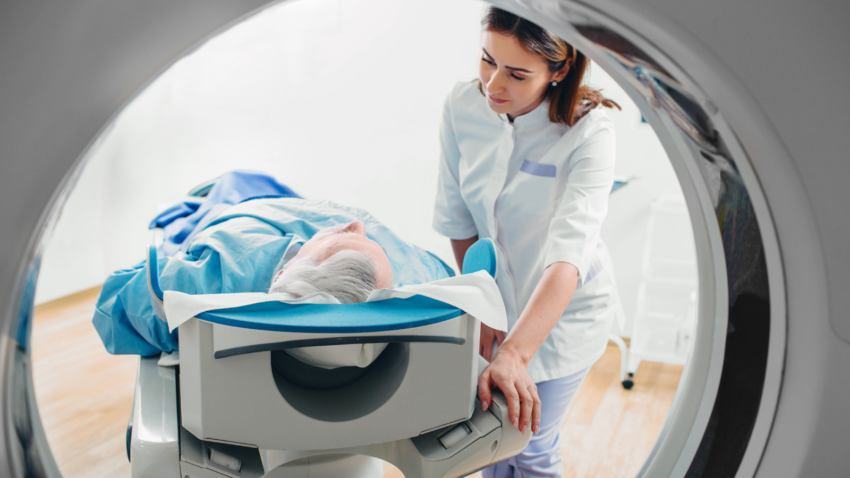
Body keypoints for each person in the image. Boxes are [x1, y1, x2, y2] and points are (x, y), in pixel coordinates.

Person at [432, 7, 623, 477]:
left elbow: (567, 256)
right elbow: (459, 219)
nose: (494, 84)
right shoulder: (462, 105)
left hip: (565, 312)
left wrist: (516, 352)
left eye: (517, 74)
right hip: (495, 302)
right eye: (486, 60)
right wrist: (482, 303)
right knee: (490, 445)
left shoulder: (589, 132)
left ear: (558, 70)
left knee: (529, 447)